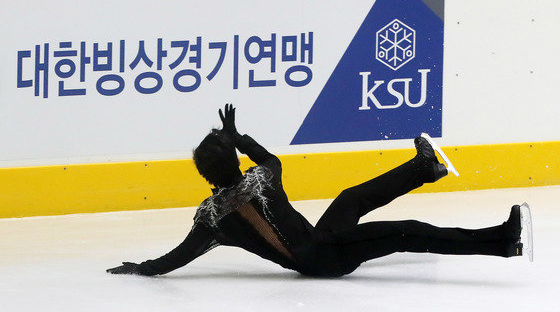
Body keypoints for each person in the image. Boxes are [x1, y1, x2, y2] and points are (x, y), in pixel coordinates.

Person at [107, 104, 530, 277]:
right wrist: (238, 136)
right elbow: (268, 157)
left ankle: (425, 167)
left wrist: (143, 267)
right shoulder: (262, 177)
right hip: (324, 257)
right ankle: (501, 241)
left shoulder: (211, 217)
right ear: (237, 160)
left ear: (204, 175)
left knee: (350, 199)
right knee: (408, 230)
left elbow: (179, 255)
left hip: (318, 244)